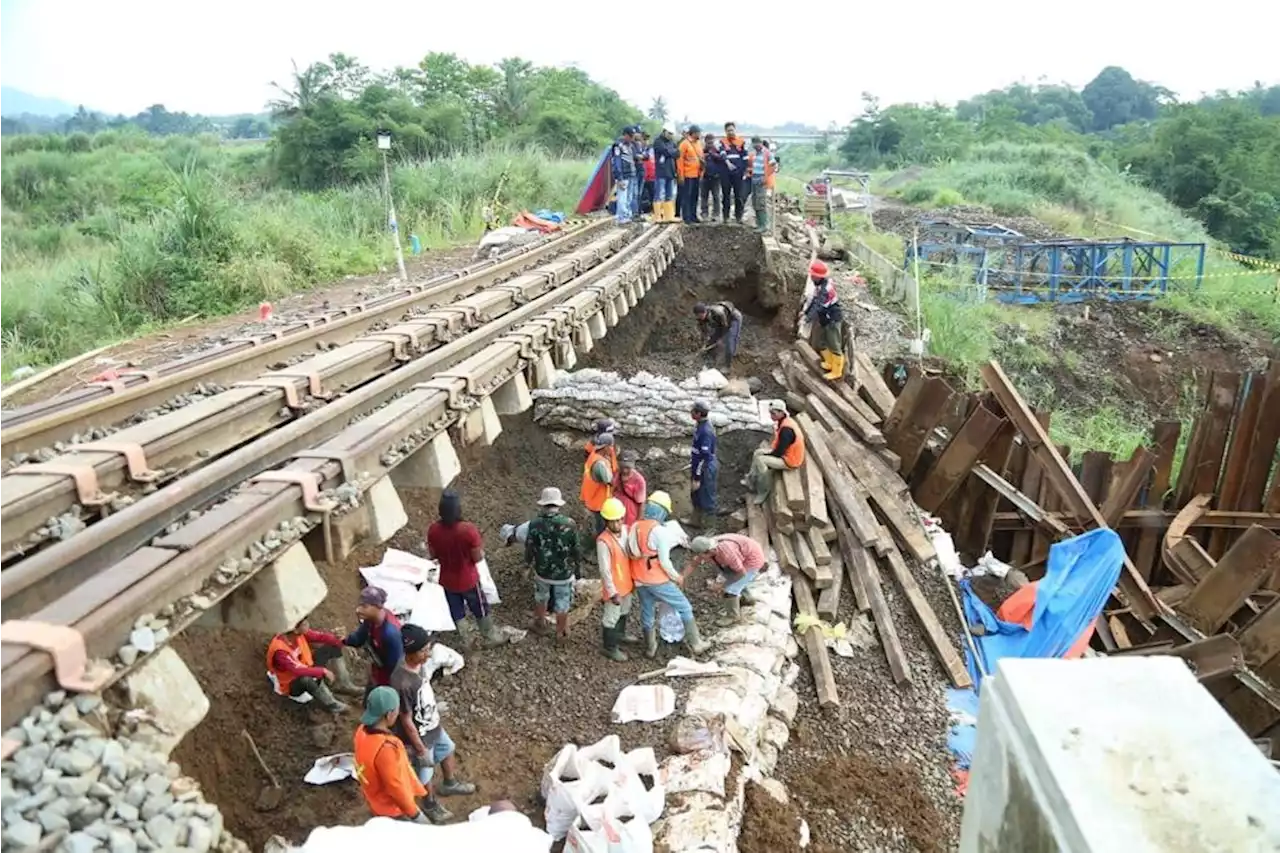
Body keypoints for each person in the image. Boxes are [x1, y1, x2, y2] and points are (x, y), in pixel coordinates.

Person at [390, 623, 477, 824]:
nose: (428, 655)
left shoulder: (416, 666)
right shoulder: (401, 682)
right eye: (424, 651)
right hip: (419, 735)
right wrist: (419, 748)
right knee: (425, 770)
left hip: (432, 724)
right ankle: (429, 803)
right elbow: (405, 718)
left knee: (448, 748)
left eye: (428, 649)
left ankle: (449, 782)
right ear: (410, 653)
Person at [626, 491, 712, 658]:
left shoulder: (635, 526)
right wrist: (676, 577)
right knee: (684, 606)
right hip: (656, 580)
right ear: (663, 511)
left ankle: (650, 647)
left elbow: (631, 551)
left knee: (647, 610)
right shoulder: (660, 532)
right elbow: (665, 562)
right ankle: (696, 643)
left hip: (639, 578)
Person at [427, 490, 504, 648]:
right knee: (479, 606)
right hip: (467, 578)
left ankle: (467, 639)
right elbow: (477, 558)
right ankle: (490, 636)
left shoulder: (433, 530)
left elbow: (433, 555)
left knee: (456, 610)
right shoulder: (468, 530)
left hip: (447, 579)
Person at [353, 686, 430, 822]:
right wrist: (415, 814)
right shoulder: (386, 748)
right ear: (389, 715)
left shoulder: (361, 731)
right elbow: (396, 787)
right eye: (396, 709)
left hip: (374, 799)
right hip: (393, 810)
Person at [266, 618, 362, 714]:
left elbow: (320, 637)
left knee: (332, 647)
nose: (308, 624)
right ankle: (332, 704)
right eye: (304, 624)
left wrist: (339, 639)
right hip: (292, 683)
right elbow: (297, 671)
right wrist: (322, 671)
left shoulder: (299, 634)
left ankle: (343, 684)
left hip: (307, 666)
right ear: (295, 629)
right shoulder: (280, 651)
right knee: (305, 679)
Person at [524, 487, 581, 640]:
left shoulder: (535, 524)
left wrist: (527, 565)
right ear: (558, 505)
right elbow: (576, 549)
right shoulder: (570, 524)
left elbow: (530, 547)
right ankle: (561, 631)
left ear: (543, 505)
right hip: (564, 572)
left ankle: (540, 623)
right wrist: (577, 568)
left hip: (542, 571)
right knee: (563, 601)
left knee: (541, 596)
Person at [687, 533, 766, 626]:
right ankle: (747, 598)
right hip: (742, 556)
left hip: (752, 560)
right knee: (729, 575)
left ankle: (733, 617)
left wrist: (721, 586)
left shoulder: (727, 554)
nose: (699, 558)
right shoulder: (708, 547)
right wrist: (682, 577)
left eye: (701, 556)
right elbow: (693, 564)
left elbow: (741, 573)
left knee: (730, 590)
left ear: (709, 551)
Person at [596, 497, 636, 662]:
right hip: (615, 587)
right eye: (614, 521)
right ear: (607, 521)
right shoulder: (603, 541)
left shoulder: (627, 531)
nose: (618, 523)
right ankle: (609, 647)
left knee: (625, 610)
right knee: (611, 617)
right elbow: (605, 570)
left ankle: (620, 635)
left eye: (620, 519)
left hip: (627, 582)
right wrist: (612, 592)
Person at [344, 586, 404, 693]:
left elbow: (395, 667)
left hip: (388, 679)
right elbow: (359, 638)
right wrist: (345, 639)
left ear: (378, 607)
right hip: (377, 670)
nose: (358, 610)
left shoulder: (390, 634)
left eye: (364, 606)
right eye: (359, 605)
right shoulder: (371, 619)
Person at [747, 401, 806, 505]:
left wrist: (767, 456)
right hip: (786, 452)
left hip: (791, 460)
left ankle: (763, 491)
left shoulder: (787, 429)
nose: (771, 416)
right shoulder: (784, 421)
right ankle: (751, 480)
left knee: (761, 460)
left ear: (782, 412)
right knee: (757, 452)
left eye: (773, 413)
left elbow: (779, 452)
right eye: (770, 413)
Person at [802, 259, 845, 380]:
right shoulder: (819, 285)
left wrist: (807, 318)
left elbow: (818, 305)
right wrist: (805, 312)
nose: (810, 277)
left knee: (834, 344)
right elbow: (814, 300)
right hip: (825, 318)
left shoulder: (826, 289)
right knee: (822, 342)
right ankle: (829, 362)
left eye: (813, 275)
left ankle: (837, 371)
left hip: (832, 319)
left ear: (818, 276)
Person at [689, 400, 719, 529]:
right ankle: (695, 521)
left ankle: (710, 527)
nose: (691, 413)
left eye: (693, 411)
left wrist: (697, 477)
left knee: (706, 497)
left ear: (699, 413)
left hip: (705, 468)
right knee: (695, 494)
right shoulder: (699, 425)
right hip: (698, 466)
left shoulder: (706, 431)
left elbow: (705, 457)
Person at [581, 432, 618, 534]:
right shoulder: (600, 464)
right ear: (605, 447)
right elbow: (610, 481)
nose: (612, 449)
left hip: (591, 497)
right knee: (601, 529)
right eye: (611, 446)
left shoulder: (594, 455)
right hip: (598, 502)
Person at [693, 300, 743, 372]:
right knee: (711, 341)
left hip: (733, 319)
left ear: (704, 312)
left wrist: (721, 339)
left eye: (700, 315)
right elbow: (704, 332)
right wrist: (704, 344)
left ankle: (728, 366)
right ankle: (709, 362)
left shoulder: (718, 312)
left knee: (729, 341)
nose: (699, 317)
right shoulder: (700, 318)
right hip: (720, 323)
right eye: (697, 316)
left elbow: (725, 328)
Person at [719, 123, 749, 224]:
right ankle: (726, 217)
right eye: (728, 130)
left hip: (738, 173)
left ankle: (738, 217)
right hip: (725, 173)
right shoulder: (722, 141)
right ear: (725, 131)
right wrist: (728, 163)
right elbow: (722, 154)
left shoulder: (741, 141)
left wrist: (745, 170)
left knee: (738, 195)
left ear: (735, 130)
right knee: (726, 195)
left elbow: (745, 157)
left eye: (732, 130)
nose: (730, 132)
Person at [746, 137, 777, 234]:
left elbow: (773, 166)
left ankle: (763, 225)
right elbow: (751, 167)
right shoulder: (753, 154)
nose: (756, 146)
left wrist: (765, 177)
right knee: (755, 202)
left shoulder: (767, 153)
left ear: (761, 143)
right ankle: (759, 224)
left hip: (762, 181)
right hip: (754, 180)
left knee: (761, 203)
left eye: (757, 144)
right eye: (754, 144)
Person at [676, 126, 703, 224]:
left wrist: (701, 173)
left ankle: (693, 215)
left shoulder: (699, 144)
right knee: (686, 196)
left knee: (694, 196)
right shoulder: (684, 144)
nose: (700, 135)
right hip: (687, 175)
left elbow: (701, 158)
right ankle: (686, 217)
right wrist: (681, 175)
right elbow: (680, 161)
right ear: (693, 133)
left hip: (696, 175)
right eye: (698, 133)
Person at [652, 129, 679, 222]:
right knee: (659, 194)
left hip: (670, 172)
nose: (670, 135)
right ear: (664, 132)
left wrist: (671, 152)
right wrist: (672, 152)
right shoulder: (658, 141)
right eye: (669, 133)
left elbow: (677, 153)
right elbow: (666, 152)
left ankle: (669, 216)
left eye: (672, 134)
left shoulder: (672, 142)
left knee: (669, 195)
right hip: (661, 172)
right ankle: (657, 216)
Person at [610, 126, 636, 225]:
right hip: (623, 175)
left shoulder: (630, 145)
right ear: (625, 135)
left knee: (629, 197)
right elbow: (617, 162)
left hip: (631, 174)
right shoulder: (618, 145)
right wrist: (619, 177)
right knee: (622, 197)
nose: (632, 138)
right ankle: (621, 217)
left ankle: (627, 215)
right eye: (631, 136)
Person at [614, 449, 647, 525]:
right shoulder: (616, 473)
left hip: (630, 514)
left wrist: (638, 523)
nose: (624, 471)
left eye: (627, 468)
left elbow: (641, 503)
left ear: (632, 466)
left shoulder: (639, 480)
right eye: (622, 467)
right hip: (616, 511)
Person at [699, 132, 724, 223]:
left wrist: (713, 155)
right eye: (708, 143)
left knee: (716, 196)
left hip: (715, 178)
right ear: (705, 142)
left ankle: (716, 214)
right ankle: (704, 214)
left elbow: (722, 160)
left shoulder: (718, 151)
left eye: (711, 142)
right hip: (705, 177)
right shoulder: (702, 151)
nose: (710, 145)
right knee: (704, 196)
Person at [638, 130, 655, 217]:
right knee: (640, 193)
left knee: (653, 194)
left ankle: (653, 210)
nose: (645, 141)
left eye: (647, 139)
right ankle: (639, 210)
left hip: (652, 175)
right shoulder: (638, 149)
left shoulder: (651, 149)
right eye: (644, 139)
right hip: (642, 175)